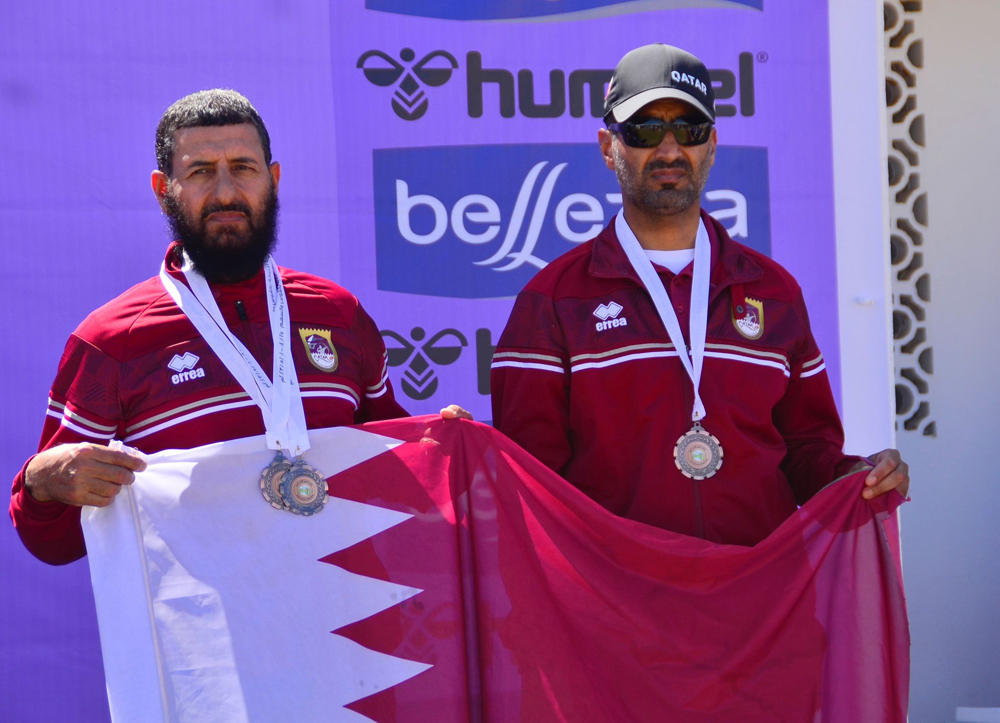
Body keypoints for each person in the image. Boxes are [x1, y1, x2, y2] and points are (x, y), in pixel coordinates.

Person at [10, 89, 469, 565]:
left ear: (273, 179)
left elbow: (390, 465)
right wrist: (42, 485)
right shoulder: (111, 341)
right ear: (163, 190)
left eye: (243, 168)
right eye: (200, 172)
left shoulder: (338, 314)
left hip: (346, 607)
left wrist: (441, 446)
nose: (226, 192)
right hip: (192, 614)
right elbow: (53, 542)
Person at [490, 44, 908, 546]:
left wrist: (857, 476)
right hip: (615, 591)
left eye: (688, 129)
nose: (669, 151)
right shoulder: (553, 300)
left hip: (758, 587)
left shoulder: (774, 292)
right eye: (645, 130)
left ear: (711, 144)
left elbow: (805, 451)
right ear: (608, 147)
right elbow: (527, 480)